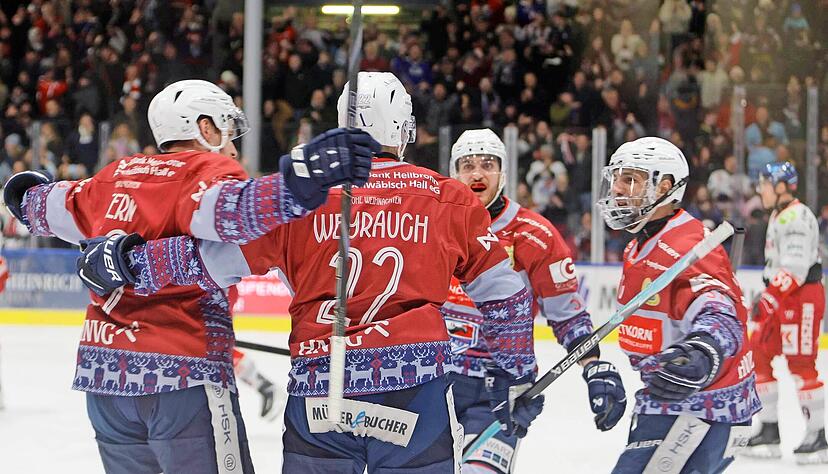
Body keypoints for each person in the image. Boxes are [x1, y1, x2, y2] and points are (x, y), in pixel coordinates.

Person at [72, 72, 542, 473]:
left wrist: (129, 265)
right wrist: (514, 372)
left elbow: (208, 262)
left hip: (319, 389)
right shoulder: (447, 198)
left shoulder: (299, 201)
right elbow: (505, 296)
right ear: (402, 126)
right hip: (413, 393)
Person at [2, 79, 376, 474]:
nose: (233, 147)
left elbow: (36, 206)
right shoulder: (204, 168)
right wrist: (300, 180)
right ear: (205, 128)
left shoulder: (113, 175)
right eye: (227, 131)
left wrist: (27, 191)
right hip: (182, 375)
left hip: (104, 381)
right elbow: (235, 214)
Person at [442, 128, 627, 473]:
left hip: (496, 392)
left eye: (487, 164)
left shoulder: (534, 235)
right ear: (453, 172)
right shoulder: (433, 225)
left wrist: (594, 366)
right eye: (467, 165)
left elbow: (567, 315)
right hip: (432, 386)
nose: (477, 173)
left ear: (503, 172)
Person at [595, 136, 761, 473]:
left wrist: (704, 351)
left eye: (631, 180)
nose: (618, 190)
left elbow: (719, 310)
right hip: (670, 400)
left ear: (664, 187)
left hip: (701, 409)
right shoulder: (640, 244)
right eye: (617, 179)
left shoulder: (687, 244)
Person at [744, 162, 827, 464]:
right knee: (758, 353)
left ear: (780, 186)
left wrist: (768, 299)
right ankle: (768, 430)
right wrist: (770, 298)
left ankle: (818, 437)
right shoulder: (780, 214)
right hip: (782, 297)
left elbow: (795, 267)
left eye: (764, 183)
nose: (760, 190)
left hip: (801, 297)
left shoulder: (797, 215)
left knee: (802, 364)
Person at [232, 349, 286, 421]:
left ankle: (270, 390)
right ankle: (269, 390)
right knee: (250, 378)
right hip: (236, 361)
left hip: (237, 361)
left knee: (251, 378)